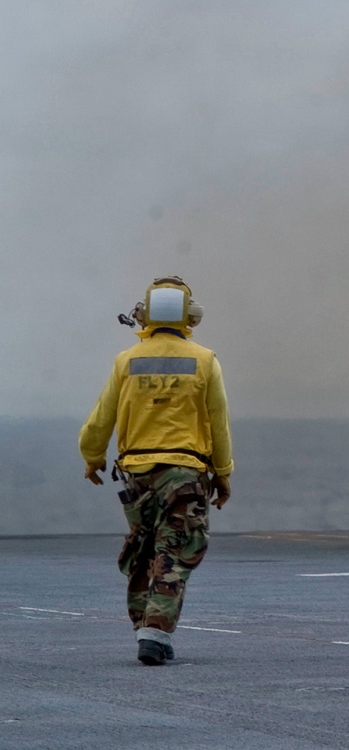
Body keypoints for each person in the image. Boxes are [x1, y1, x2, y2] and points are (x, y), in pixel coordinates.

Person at [79, 276, 234, 666]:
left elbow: (101, 420)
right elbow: (219, 424)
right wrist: (224, 472)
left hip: (137, 475)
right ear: (190, 317)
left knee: (143, 547)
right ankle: (155, 631)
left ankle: (144, 626)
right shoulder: (205, 360)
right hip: (185, 473)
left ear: (143, 314)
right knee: (176, 551)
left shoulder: (125, 361)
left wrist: (92, 457)